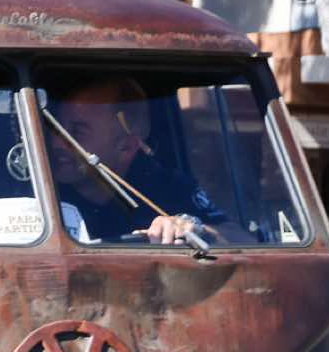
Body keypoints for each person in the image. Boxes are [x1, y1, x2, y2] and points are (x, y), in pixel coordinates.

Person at [45, 75, 221, 245]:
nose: (55, 142)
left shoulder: (168, 187)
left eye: (77, 132)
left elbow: (233, 235)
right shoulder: (37, 187)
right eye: (56, 127)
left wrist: (194, 229)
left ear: (125, 147)